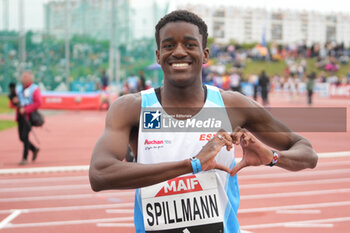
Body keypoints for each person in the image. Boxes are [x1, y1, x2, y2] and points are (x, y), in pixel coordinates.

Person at [89, 10, 318, 233]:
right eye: (169, 45)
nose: (179, 52)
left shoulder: (232, 106)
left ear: (205, 54)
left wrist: (273, 157)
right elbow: (99, 174)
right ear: (158, 56)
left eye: (189, 44)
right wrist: (193, 165)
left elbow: (307, 153)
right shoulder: (131, 109)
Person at [12, 71, 41, 165]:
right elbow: (12, 103)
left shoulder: (34, 89)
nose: (23, 78)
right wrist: (14, 102)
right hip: (20, 117)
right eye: (22, 76)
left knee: (25, 136)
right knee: (21, 137)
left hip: (29, 117)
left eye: (25, 77)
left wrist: (26, 110)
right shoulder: (18, 89)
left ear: (30, 78)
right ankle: (34, 149)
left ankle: (24, 158)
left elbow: (38, 102)